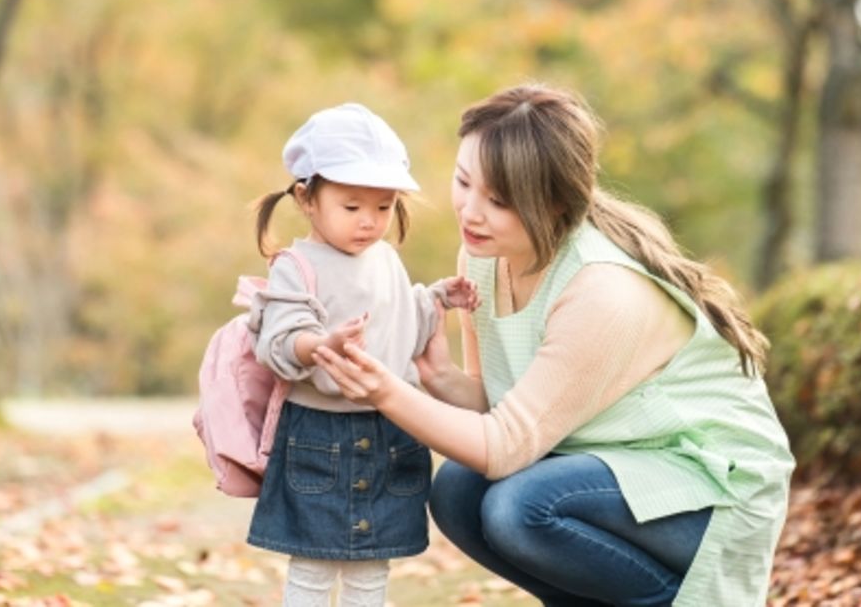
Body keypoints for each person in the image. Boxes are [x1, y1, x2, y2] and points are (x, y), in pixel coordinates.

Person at [311, 84, 796, 606]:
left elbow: (503, 448)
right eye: (463, 182)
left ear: (554, 203)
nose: (470, 212)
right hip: (608, 462)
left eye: (499, 200)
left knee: (521, 508)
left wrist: (386, 393)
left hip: (710, 486)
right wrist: (441, 379)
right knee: (457, 490)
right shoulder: (483, 254)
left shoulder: (602, 290)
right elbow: (508, 409)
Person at [246, 102, 479, 607]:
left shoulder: (386, 260)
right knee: (312, 563)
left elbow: (402, 324)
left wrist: (437, 298)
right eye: (352, 207)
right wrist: (320, 344)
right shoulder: (298, 264)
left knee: (373, 564)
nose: (369, 222)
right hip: (319, 435)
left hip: (392, 426)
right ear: (307, 199)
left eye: (384, 207)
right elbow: (279, 341)